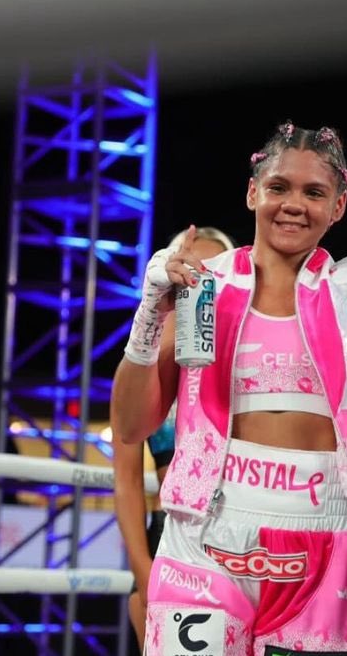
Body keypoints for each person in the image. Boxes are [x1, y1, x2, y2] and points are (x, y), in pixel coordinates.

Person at [111, 24, 347, 656]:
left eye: (315, 192)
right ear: (252, 193)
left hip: (319, 537)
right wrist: (150, 311)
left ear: (339, 206)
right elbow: (130, 426)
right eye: (280, 188)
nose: (294, 205)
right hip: (206, 529)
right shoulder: (203, 289)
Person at [112, 225, 236, 651]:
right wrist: (144, 570)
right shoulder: (141, 370)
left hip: (240, 529)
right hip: (170, 536)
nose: (195, 276)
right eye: (186, 265)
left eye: (209, 269)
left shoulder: (247, 360)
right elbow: (127, 481)